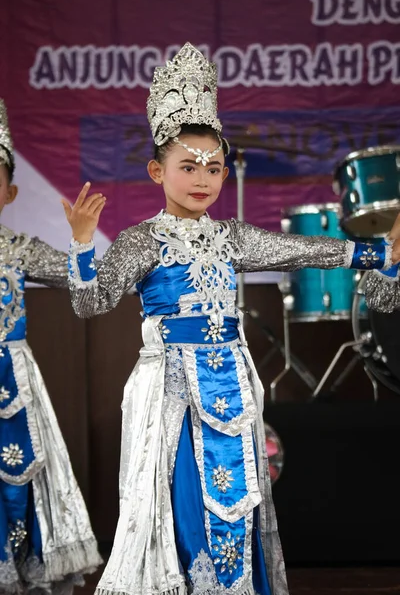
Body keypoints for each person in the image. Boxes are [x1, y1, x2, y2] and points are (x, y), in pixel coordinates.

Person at [62, 43, 400, 595]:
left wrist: (378, 253)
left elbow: (302, 250)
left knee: (237, 508)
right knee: (184, 511)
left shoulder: (232, 237)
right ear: (157, 170)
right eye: (188, 166)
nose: (203, 179)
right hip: (173, 397)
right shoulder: (141, 241)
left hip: (232, 387)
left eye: (214, 168)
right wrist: (80, 245)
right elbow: (89, 302)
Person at [0, 99, 102, 594]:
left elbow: (84, 282)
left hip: (12, 388)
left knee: (18, 486)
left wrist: (82, 240)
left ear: (11, 191)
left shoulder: (19, 249)